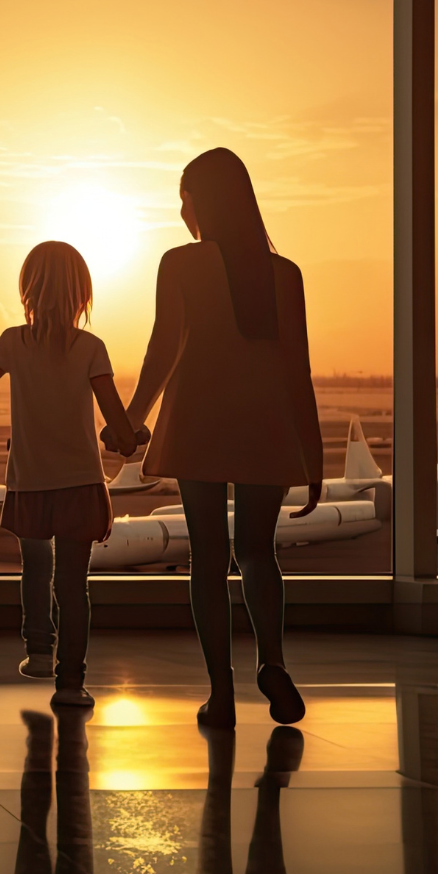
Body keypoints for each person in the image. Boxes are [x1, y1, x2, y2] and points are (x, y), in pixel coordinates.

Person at [121, 148, 324, 729]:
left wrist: (132, 418)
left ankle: (221, 692)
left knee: (208, 561)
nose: (181, 211)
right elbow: (298, 370)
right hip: (266, 424)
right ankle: (273, 662)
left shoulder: (180, 263)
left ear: (201, 201)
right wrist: (312, 456)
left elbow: (163, 347)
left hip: (200, 421)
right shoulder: (284, 274)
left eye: (184, 198)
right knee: (259, 553)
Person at [0, 241, 137, 707]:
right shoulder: (90, 348)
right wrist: (129, 436)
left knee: (35, 567)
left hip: (30, 483)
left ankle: (38, 651)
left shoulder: (13, 342)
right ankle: (70, 683)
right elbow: (118, 425)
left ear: (28, 290)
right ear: (82, 294)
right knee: (73, 588)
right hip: (80, 483)